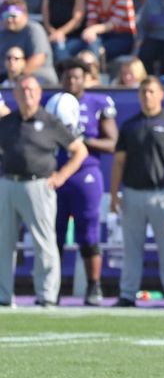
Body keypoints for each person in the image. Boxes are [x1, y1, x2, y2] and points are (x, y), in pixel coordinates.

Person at [0, 75, 87, 307]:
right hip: (8, 183)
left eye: (31, 90)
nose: (27, 94)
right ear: (16, 94)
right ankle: (3, 296)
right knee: (4, 243)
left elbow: (79, 150)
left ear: (39, 94)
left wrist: (61, 176)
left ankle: (47, 295)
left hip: (38, 185)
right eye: (22, 90)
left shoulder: (50, 121)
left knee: (44, 243)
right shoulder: (7, 122)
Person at [110, 76, 164, 307]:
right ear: (138, 95)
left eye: (152, 91)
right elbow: (118, 163)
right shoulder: (129, 126)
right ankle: (127, 293)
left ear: (161, 94)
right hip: (133, 193)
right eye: (144, 92)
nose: (147, 96)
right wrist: (114, 192)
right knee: (131, 248)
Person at [55, 58, 116, 306]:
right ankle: (52, 287)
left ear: (86, 78)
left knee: (88, 233)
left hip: (86, 173)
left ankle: (94, 286)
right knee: (53, 234)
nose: (72, 81)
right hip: (57, 173)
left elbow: (111, 142)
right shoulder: (54, 102)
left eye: (77, 76)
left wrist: (82, 141)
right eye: (68, 77)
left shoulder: (98, 103)